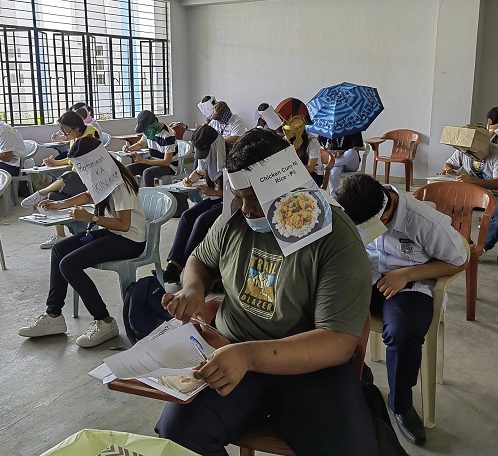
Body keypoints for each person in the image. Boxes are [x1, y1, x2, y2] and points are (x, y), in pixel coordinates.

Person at [155, 128, 379, 456]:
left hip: (308, 364)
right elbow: (199, 260)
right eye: (240, 197)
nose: (245, 210)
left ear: (285, 188)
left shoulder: (334, 237)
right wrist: (192, 289)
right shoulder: (234, 222)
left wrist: (249, 355)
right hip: (229, 351)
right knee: (178, 435)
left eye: (253, 199)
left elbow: (337, 342)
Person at [335, 174, 468, 445]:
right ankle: (352, 382)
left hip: (409, 287)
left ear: (382, 219)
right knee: (324, 311)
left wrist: (407, 274)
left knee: (402, 332)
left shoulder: (425, 222)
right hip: (365, 278)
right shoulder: (356, 208)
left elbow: (459, 260)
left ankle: (401, 404)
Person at [18, 136, 147, 347]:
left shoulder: (120, 183)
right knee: (60, 249)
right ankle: (53, 316)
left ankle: (104, 321)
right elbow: (89, 195)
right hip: (113, 233)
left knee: (69, 264)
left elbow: (124, 225)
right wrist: (60, 205)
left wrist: (91, 218)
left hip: (130, 240)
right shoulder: (104, 173)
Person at [21, 110, 98, 248]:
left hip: (90, 181)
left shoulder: (90, 135)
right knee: (53, 196)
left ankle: (40, 193)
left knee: (69, 176)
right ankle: (59, 236)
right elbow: (71, 160)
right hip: (78, 179)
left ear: (77, 128)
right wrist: (56, 163)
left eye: (66, 131)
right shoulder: (75, 137)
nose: (65, 134)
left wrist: (60, 161)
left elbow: (80, 159)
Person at [159, 125, 226, 283]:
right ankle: (172, 266)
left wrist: (213, 192)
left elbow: (239, 194)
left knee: (201, 221)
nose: (204, 156)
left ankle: (184, 266)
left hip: (230, 201)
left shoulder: (230, 157)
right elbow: (200, 170)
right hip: (215, 198)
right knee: (187, 216)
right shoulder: (209, 154)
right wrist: (190, 179)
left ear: (214, 145)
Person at [438, 125, 498, 253]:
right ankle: (463, 241)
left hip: (494, 192)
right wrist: (448, 170)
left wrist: (473, 181)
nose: (468, 153)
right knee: (447, 207)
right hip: (469, 190)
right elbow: (448, 163)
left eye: (472, 151)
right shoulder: (463, 150)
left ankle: (483, 247)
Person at [123, 110, 178, 187]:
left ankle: (149, 196)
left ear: (153, 124)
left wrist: (143, 161)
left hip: (169, 166)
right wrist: (129, 148)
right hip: (153, 162)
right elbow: (140, 144)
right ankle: (133, 193)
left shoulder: (167, 136)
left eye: (145, 129)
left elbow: (166, 162)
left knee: (147, 173)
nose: (145, 132)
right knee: (127, 169)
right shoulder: (149, 132)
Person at [282, 115, 324, 187]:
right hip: (297, 170)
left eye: (291, 132)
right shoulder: (287, 139)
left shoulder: (312, 142)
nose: (288, 136)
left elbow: (310, 168)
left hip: (314, 174)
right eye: (287, 132)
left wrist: (292, 166)